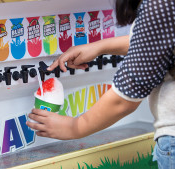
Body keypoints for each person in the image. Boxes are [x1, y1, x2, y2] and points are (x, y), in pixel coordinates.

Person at [27, 0, 175, 168]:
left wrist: (73, 127)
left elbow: (125, 98)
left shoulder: (160, 4)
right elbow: (157, 40)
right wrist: (99, 46)